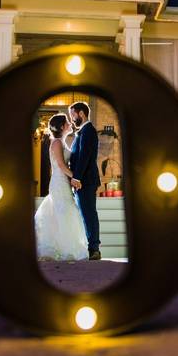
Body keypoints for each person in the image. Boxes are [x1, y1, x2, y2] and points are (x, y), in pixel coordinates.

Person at [34, 114, 89, 261]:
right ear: (61, 127)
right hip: (59, 182)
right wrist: (75, 177)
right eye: (67, 122)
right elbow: (60, 165)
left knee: (62, 213)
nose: (70, 123)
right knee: (64, 212)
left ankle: (63, 248)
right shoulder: (57, 142)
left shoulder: (62, 142)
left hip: (63, 182)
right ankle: (65, 249)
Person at [67, 101, 102, 260]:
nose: (72, 118)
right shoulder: (82, 131)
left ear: (81, 113)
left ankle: (94, 249)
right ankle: (91, 247)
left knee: (89, 215)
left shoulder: (88, 131)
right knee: (86, 214)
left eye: (73, 114)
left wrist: (76, 177)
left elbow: (84, 156)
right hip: (82, 180)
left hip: (85, 180)